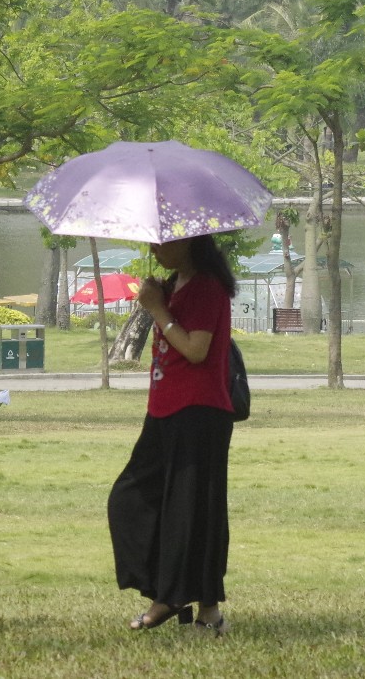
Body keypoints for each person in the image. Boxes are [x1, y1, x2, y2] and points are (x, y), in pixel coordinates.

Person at [106, 232, 237, 635]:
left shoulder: (207, 288)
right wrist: (159, 301)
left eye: (161, 242)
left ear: (190, 243)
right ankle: (169, 591)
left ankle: (201, 609)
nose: (153, 250)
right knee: (130, 499)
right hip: (164, 411)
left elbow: (196, 350)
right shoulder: (173, 285)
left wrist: (158, 310)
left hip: (198, 412)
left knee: (195, 512)